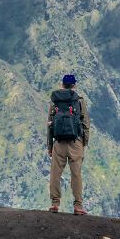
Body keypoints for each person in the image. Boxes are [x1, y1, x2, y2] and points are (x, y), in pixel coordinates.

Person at [47, 73, 90, 214]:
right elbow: (85, 123)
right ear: (74, 85)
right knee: (76, 174)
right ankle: (78, 206)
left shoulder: (55, 101)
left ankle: (55, 203)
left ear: (62, 84)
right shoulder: (79, 100)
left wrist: (50, 146)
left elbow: (50, 125)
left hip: (58, 142)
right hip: (75, 142)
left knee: (55, 174)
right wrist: (84, 142)